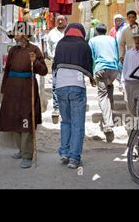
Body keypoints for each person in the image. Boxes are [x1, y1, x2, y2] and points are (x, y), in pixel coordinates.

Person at [0, 22, 48, 169]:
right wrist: (4, 89)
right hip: (12, 89)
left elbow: (44, 71)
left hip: (27, 89)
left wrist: (36, 62)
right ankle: (21, 150)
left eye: (17, 33)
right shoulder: (13, 50)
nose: (14, 36)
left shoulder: (34, 49)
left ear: (25, 35)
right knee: (15, 119)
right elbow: (7, 70)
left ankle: (27, 155)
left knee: (26, 120)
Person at [53, 23, 94, 169]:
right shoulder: (83, 45)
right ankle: (74, 158)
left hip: (60, 87)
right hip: (76, 87)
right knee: (78, 124)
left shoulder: (60, 44)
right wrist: (91, 77)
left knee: (66, 121)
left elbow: (55, 65)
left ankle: (64, 152)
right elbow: (89, 63)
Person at [88, 24, 121, 143]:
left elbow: (91, 58)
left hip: (101, 69)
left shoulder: (92, 40)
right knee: (109, 89)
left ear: (96, 31)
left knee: (103, 96)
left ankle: (108, 124)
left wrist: (91, 74)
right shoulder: (113, 39)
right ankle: (109, 116)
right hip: (113, 70)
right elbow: (117, 55)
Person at [45, 15, 67, 118]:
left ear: (66, 21)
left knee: (67, 85)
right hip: (56, 63)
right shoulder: (51, 34)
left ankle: (66, 106)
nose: (60, 21)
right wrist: (52, 57)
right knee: (55, 85)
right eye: (58, 20)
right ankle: (56, 107)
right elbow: (48, 48)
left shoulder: (69, 32)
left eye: (62, 20)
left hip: (68, 63)